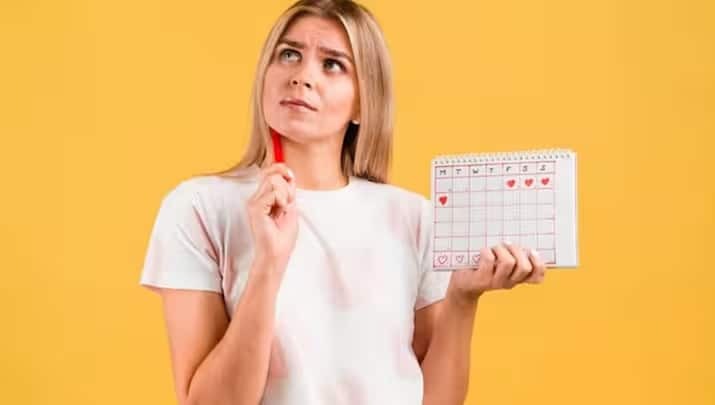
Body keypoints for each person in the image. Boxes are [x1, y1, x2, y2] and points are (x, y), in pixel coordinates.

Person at [139, 1, 546, 404]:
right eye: (289, 54)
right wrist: (269, 264)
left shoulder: (414, 218)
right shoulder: (199, 208)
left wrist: (461, 299)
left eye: (332, 64)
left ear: (363, 102)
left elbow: (437, 400)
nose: (302, 77)